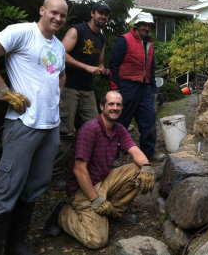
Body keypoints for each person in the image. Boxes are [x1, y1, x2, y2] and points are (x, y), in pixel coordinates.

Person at [0, 0, 67, 254]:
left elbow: (61, 74)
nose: (58, 19)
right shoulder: (22, 32)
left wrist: (57, 99)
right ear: (42, 10)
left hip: (50, 126)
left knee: (36, 185)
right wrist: (5, 92)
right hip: (23, 124)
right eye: (53, 13)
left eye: (62, 15)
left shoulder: (59, 47)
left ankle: (15, 244)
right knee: (8, 187)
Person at [44, 90, 155, 249]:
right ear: (102, 106)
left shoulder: (119, 129)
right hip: (82, 189)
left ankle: (113, 213)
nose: (115, 108)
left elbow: (136, 152)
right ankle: (62, 212)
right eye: (111, 104)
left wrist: (147, 167)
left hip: (104, 179)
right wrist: (95, 199)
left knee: (140, 169)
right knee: (97, 241)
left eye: (118, 105)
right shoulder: (90, 129)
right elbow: (79, 170)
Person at [51, 1, 110, 191]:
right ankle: (54, 175)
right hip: (68, 86)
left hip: (87, 89)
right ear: (92, 13)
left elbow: (99, 62)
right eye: (100, 13)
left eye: (106, 14)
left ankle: (92, 170)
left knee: (96, 129)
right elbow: (60, 53)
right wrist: (86, 67)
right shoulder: (77, 30)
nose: (103, 17)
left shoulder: (101, 39)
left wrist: (102, 71)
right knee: (66, 133)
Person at [109, 12, 166, 162]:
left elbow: (151, 70)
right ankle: (112, 157)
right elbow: (113, 66)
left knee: (149, 119)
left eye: (149, 26)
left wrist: (153, 89)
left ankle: (148, 152)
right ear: (137, 25)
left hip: (144, 88)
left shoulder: (149, 45)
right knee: (121, 121)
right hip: (126, 86)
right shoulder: (124, 41)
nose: (146, 28)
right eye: (144, 24)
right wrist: (114, 89)